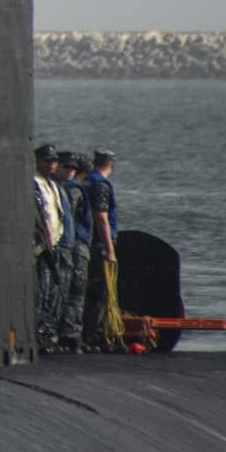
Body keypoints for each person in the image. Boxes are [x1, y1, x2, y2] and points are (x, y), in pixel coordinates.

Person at [81, 149, 124, 351]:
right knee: (100, 293)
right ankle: (93, 337)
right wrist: (110, 249)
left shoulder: (86, 181)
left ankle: (89, 334)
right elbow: (102, 218)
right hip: (99, 245)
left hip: (87, 242)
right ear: (111, 165)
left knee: (89, 292)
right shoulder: (100, 184)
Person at [31, 143, 66, 351]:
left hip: (54, 244)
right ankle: (38, 332)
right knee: (42, 291)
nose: (52, 164)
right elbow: (40, 214)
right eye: (47, 161)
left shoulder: (52, 184)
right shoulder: (35, 183)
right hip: (41, 247)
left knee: (52, 290)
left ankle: (46, 332)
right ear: (37, 161)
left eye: (54, 161)